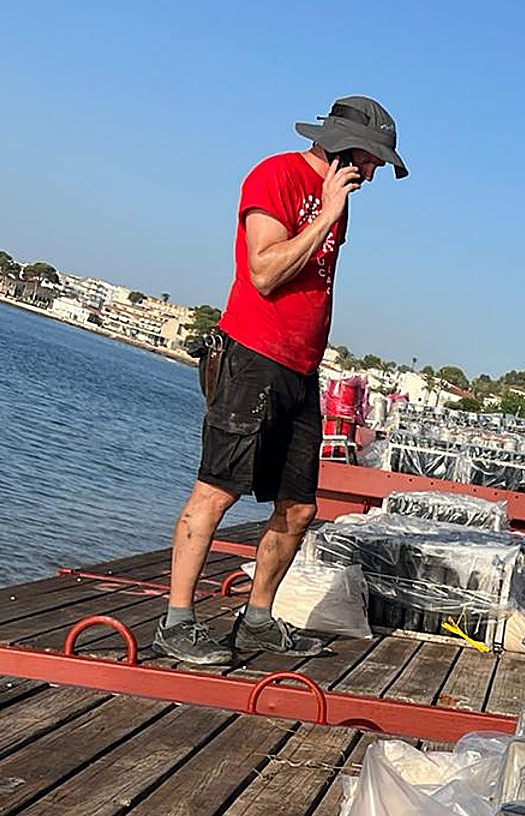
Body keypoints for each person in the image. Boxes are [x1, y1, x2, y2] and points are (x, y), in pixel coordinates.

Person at [154, 96, 410, 664]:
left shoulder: (338, 200)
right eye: (370, 160)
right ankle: (176, 623)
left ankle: (257, 621)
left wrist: (332, 210)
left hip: (301, 370)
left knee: (298, 509)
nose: (372, 174)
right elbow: (265, 272)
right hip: (252, 357)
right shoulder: (277, 176)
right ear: (346, 148)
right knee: (217, 490)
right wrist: (325, 214)